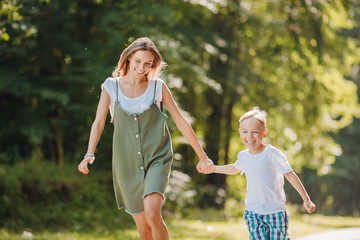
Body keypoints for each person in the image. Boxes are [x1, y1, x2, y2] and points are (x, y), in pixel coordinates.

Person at [78, 37, 214, 240]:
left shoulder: (158, 87)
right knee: (144, 227)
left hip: (157, 158)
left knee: (153, 214)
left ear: (153, 65)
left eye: (148, 64)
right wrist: (89, 153)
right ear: (128, 59)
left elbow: (181, 121)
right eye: (138, 61)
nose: (142, 67)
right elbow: (98, 123)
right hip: (126, 163)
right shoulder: (110, 86)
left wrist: (203, 156)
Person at [206, 107, 316, 240]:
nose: (249, 136)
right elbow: (235, 168)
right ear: (240, 133)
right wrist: (214, 168)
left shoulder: (272, 154)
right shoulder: (243, 156)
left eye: (255, 132)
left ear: (264, 133)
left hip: (275, 211)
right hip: (253, 212)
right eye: (245, 132)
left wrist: (306, 199)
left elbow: (290, 174)